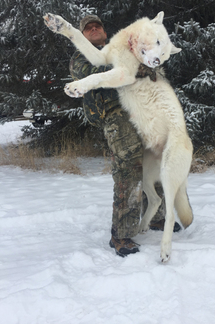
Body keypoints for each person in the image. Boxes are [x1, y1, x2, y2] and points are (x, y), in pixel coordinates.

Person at [69, 14, 180, 257]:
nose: (94, 28)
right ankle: (121, 234)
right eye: (88, 28)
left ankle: (157, 218)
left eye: (97, 25)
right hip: (116, 116)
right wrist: (132, 62)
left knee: (157, 158)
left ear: (105, 30)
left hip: (144, 111)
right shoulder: (81, 56)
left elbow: (153, 71)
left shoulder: (127, 47)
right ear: (83, 35)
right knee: (129, 167)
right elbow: (99, 70)